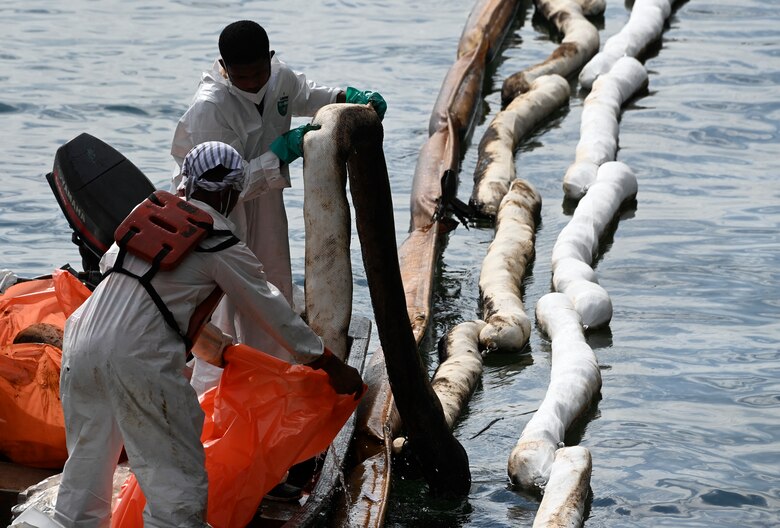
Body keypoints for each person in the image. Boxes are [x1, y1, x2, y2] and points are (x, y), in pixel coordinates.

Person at [53, 142, 364, 527]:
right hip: (137, 358)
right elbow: (274, 313)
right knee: (176, 489)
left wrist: (217, 348)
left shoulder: (144, 217)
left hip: (81, 341)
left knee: (86, 471)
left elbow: (145, 297)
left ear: (188, 181)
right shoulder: (220, 244)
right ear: (233, 192)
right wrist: (329, 364)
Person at [170, 20, 386, 361]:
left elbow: (307, 94)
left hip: (267, 203)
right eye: (243, 76)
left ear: (270, 59)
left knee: (274, 283)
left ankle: (272, 371)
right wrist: (280, 153)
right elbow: (225, 184)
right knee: (227, 303)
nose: (254, 82)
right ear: (224, 69)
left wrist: (346, 97)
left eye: (260, 73)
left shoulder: (279, 77)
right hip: (220, 210)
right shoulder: (210, 107)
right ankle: (216, 389)